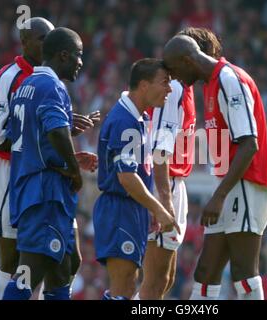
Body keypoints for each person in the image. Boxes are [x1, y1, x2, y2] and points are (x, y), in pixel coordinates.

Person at [0, 17, 99, 300]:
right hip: (39, 187)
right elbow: (17, 136)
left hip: (37, 180)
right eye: (79, 56)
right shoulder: (43, 85)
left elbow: (31, 132)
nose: (81, 63)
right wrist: (74, 171)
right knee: (25, 267)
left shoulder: (29, 85)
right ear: (63, 54)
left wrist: (66, 144)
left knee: (65, 264)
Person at [163, 34, 267, 300]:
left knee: (244, 271)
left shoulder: (229, 78)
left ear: (186, 60)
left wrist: (219, 196)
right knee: (206, 269)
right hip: (229, 183)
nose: (176, 78)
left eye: (175, 70)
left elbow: (249, 144)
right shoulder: (211, 84)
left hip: (247, 183)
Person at [93, 58, 180, 300]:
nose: (170, 89)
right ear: (143, 85)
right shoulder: (124, 121)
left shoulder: (138, 118)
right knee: (123, 287)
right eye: (165, 82)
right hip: (120, 208)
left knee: (127, 289)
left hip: (131, 209)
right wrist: (159, 208)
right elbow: (127, 178)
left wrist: (148, 207)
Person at [137, 79, 195, 300]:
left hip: (173, 181)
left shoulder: (184, 87)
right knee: (155, 281)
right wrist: (163, 199)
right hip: (165, 182)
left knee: (165, 279)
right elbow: (160, 146)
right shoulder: (175, 88)